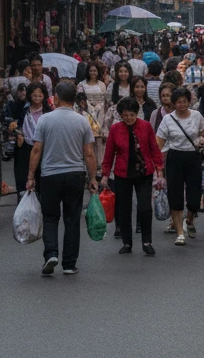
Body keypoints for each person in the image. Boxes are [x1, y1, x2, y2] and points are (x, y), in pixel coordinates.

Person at [27, 81, 98, 276]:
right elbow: (89, 153)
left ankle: (51, 253)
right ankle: (69, 264)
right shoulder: (82, 121)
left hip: (50, 175)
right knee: (72, 219)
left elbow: (36, 149)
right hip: (75, 174)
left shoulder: (44, 120)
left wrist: (31, 176)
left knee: (50, 217)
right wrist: (93, 178)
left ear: (57, 97)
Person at [101, 96, 163, 255]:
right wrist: (105, 175)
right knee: (124, 209)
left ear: (137, 114)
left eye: (132, 115)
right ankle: (127, 242)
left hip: (144, 172)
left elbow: (154, 149)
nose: (129, 118)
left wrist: (160, 171)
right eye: (125, 115)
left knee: (145, 207)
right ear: (121, 115)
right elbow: (109, 154)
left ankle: (147, 241)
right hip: (122, 173)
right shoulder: (115, 129)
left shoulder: (146, 127)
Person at [155, 86, 204, 245]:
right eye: (178, 102)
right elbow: (159, 142)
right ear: (174, 103)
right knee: (175, 195)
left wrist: (202, 141)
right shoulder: (168, 119)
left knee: (194, 194)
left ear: (189, 102)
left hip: (193, 156)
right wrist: (158, 165)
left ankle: (190, 219)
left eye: (184, 101)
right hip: (174, 157)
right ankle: (180, 232)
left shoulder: (197, 116)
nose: (181, 105)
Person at [17, 80, 49, 198]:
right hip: (27, 147)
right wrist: (18, 134)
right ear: (30, 95)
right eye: (34, 95)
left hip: (44, 148)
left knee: (42, 176)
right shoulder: (25, 110)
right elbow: (19, 125)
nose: (37, 97)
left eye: (40, 95)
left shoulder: (47, 111)